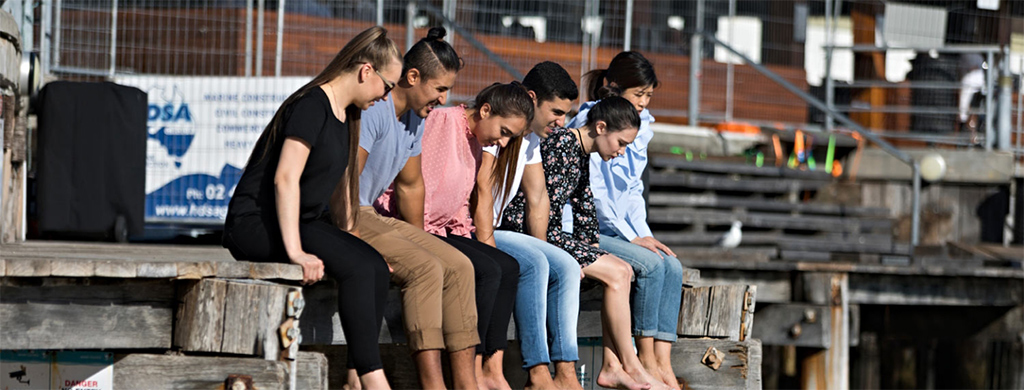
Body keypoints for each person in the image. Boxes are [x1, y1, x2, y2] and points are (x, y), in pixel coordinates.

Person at [222, 26, 400, 390]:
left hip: (302, 220)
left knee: (374, 267)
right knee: (361, 269)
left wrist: (353, 245)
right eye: (388, 86)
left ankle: (354, 377)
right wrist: (296, 253)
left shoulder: (348, 114)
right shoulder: (311, 105)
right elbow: (284, 179)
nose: (386, 97)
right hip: (257, 222)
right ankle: (373, 380)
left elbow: (336, 192)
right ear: (367, 71)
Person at [500, 96, 669, 390]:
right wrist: (569, 257)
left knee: (622, 270)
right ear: (601, 127)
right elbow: (534, 209)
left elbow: (583, 207)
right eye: (621, 143)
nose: (621, 152)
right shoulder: (562, 144)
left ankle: (615, 364)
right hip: (533, 235)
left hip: (556, 237)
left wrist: (591, 251)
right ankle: (630, 366)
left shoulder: (581, 151)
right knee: (618, 273)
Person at [378, 81, 533, 390]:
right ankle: (469, 368)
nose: (503, 143)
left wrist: (467, 236)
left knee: (508, 266)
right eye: (504, 131)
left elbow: (459, 201)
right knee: (486, 270)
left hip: (446, 228)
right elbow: (417, 184)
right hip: (415, 226)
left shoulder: (476, 138)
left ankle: (491, 366)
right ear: (486, 110)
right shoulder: (443, 122)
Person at [354, 27, 478, 390]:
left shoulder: (415, 119)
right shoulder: (375, 110)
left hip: (373, 215)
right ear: (412, 77)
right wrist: (354, 242)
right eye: (439, 89)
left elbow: (410, 185)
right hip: (347, 213)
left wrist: (419, 240)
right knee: (426, 268)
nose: (443, 99)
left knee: (459, 265)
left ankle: (467, 382)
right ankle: (432, 384)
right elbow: (345, 182)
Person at [569, 51, 683, 390]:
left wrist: (643, 234)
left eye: (649, 95)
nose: (645, 103)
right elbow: (597, 193)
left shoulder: (639, 125)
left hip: (622, 230)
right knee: (648, 265)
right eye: (639, 95)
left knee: (670, 265)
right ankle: (642, 360)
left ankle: (662, 363)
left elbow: (633, 188)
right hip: (591, 228)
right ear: (612, 87)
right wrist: (632, 239)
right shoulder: (592, 123)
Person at [475, 62, 584, 390]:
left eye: (566, 114)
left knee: (563, 264)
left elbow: (538, 199)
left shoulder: (531, 139)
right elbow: (479, 193)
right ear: (532, 98)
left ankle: (565, 373)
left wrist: (547, 250)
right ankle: (537, 372)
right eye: (556, 111)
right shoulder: (501, 127)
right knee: (534, 263)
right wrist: (487, 246)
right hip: (478, 229)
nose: (562, 122)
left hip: (497, 229)